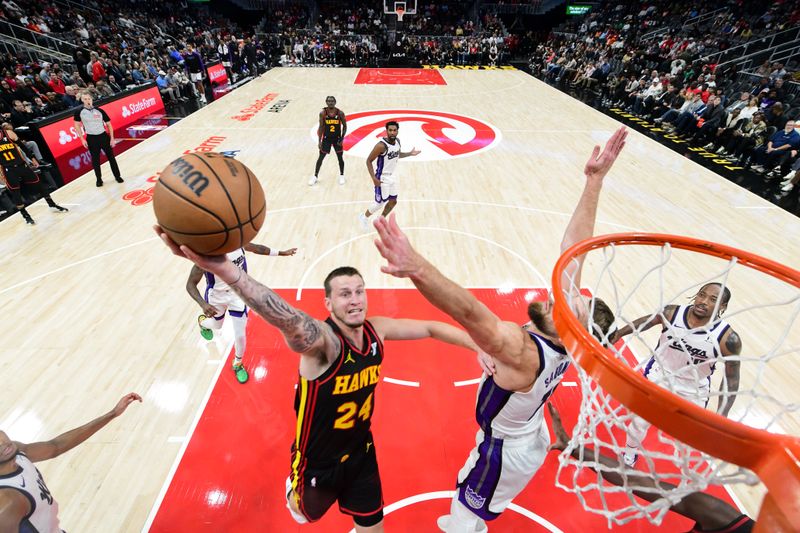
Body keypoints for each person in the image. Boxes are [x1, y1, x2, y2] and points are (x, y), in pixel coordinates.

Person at [371, 127, 627, 532]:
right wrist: (594, 181)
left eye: (571, 304)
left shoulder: (522, 350)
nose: (562, 296)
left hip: (508, 450)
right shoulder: (562, 334)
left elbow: (472, 314)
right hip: (519, 431)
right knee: (465, 489)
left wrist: (416, 267)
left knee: (465, 518)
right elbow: (572, 254)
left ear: (572, 329)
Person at [155, 231, 480, 532]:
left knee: (373, 528)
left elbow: (430, 328)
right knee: (304, 514)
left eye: (359, 291)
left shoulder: (376, 329)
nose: (354, 300)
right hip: (316, 463)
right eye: (344, 294)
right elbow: (284, 315)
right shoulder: (322, 342)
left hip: (361, 451)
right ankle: (292, 486)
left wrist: (478, 345)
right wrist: (228, 272)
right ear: (328, 304)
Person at [546, 403, 755, 532]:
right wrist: (575, 449)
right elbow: (639, 482)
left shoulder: (723, 516)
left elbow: (639, 482)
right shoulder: (724, 519)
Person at [610, 282, 742, 467]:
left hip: (694, 388)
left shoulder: (728, 338)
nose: (703, 301)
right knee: (640, 421)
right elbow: (645, 321)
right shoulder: (672, 314)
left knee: (688, 435)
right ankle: (630, 453)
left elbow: (732, 378)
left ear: (722, 307)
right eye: (701, 295)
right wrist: (618, 334)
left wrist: (723, 414)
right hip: (660, 375)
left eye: (713, 300)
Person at [0, 393, 142, 531]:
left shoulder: (17, 451)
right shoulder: (7, 502)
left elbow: (57, 446)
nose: (2, 442)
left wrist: (113, 413)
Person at [186, 242, 298, 384]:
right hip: (216, 297)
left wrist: (282, 252)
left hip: (238, 295)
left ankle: (237, 363)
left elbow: (258, 249)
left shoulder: (238, 244)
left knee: (240, 335)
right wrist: (203, 304)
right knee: (217, 325)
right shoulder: (205, 258)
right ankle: (202, 322)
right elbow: (190, 284)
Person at [358, 121, 420, 231]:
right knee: (379, 203)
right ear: (386, 131)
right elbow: (368, 161)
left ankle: (380, 220)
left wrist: (410, 153)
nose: (392, 132)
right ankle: (363, 217)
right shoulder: (381, 145)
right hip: (381, 178)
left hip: (391, 176)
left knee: (393, 201)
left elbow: (397, 155)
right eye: (390, 130)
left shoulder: (398, 142)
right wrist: (374, 178)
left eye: (394, 130)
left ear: (397, 131)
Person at [0, 127, 67, 224]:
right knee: (16, 193)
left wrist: (32, 158)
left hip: (21, 165)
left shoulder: (8, 133)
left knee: (39, 184)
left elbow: (23, 147)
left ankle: (52, 204)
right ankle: (26, 216)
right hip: (8, 169)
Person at [73, 91, 123, 187]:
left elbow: (109, 125)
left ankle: (117, 176)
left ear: (92, 99)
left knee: (111, 158)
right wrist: (82, 139)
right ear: (82, 100)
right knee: (95, 160)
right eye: (85, 99)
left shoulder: (100, 110)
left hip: (103, 137)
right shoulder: (79, 112)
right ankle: (99, 179)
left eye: (89, 99)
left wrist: (112, 138)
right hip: (91, 139)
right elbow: (76, 125)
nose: (87, 101)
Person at [309, 96, 347, 187]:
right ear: (326, 102)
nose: (330, 102)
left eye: (332, 101)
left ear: (335, 102)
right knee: (321, 157)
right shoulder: (323, 113)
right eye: (329, 101)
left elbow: (345, 126)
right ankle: (315, 176)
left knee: (340, 158)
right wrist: (319, 140)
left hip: (337, 138)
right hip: (326, 138)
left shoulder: (340, 113)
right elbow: (321, 127)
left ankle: (342, 175)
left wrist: (342, 138)